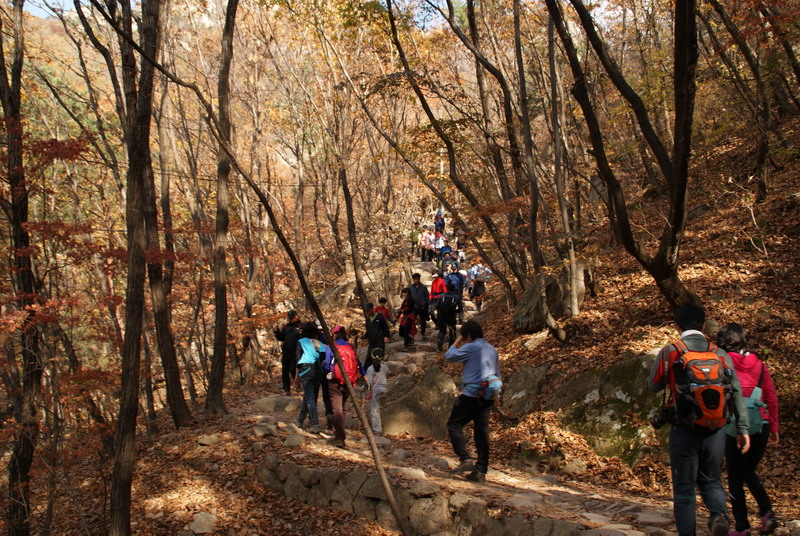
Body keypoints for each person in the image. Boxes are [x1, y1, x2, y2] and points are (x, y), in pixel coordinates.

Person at [648, 304, 750, 536]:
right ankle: (718, 516)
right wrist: (742, 427)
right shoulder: (719, 353)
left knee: (684, 490)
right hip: (716, 429)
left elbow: (653, 385)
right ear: (703, 325)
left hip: (683, 428)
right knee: (712, 480)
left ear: (676, 326)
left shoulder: (671, 351)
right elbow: (735, 392)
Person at [716, 323, 779, 536]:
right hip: (760, 423)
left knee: (735, 475)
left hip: (734, 425)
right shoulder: (759, 364)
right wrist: (775, 427)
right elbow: (770, 396)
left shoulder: (724, 362)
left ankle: (742, 527)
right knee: (749, 472)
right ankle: (767, 513)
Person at [444, 320, 500, 484]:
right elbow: (497, 371)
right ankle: (480, 471)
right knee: (481, 433)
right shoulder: (491, 348)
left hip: (471, 394)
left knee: (454, 424)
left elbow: (449, 356)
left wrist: (458, 340)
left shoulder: (472, 346)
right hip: (489, 394)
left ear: (468, 335)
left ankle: (465, 458)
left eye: (464, 335)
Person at [324, 326, 365, 447]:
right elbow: (357, 362)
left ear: (334, 334)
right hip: (349, 381)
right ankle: (339, 432)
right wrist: (364, 375)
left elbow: (327, 364)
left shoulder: (331, 347)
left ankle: (339, 438)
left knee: (336, 409)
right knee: (342, 408)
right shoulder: (350, 347)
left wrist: (330, 371)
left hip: (335, 381)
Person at [294, 322, 326, 433]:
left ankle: (315, 424)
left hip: (306, 371)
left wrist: (296, 377)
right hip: (318, 372)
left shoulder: (301, 342)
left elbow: (298, 360)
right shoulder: (320, 343)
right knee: (310, 396)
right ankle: (300, 420)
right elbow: (323, 358)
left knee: (310, 398)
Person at [273, 310, 301, 395]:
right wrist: (277, 332)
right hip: (286, 353)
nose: (292, 318)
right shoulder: (286, 327)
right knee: (285, 372)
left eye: (293, 316)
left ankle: (297, 386)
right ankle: (286, 390)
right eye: (290, 316)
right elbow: (281, 338)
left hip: (295, 353)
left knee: (293, 370)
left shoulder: (300, 326)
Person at [432, 282, 462, 351]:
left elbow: (436, 306)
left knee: (442, 330)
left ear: (447, 288)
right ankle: (451, 348)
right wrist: (456, 313)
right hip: (451, 316)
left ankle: (440, 340)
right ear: (454, 289)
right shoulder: (456, 297)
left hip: (442, 316)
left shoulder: (441, 296)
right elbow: (460, 308)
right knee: (452, 332)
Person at [365, 348, 388, 436]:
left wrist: (363, 388)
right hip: (384, 390)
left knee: (374, 411)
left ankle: (377, 430)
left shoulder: (370, 369)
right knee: (381, 409)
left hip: (376, 391)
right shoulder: (384, 366)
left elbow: (369, 383)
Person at [363, 302, 390, 370]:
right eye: (366, 311)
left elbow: (385, 327)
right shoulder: (368, 318)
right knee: (369, 356)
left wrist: (386, 336)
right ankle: (365, 372)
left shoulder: (380, 317)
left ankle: (379, 371)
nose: (367, 312)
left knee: (378, 356)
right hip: (372, 341)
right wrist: (365, 337)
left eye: (368, 310)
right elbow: (368, 329)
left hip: (379, 340)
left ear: (372, 309)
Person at [409, 273, 430, 338]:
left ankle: (423, 333)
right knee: (412, 321)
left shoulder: (423, 287)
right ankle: (412, 334)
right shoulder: (411, 287)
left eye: (416, 279)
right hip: (413, 307)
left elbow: (427, 297)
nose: (415, 281)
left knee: (423, 321)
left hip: (422, 306)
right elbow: (409, 297)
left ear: (419, 279)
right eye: (414, 279)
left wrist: (429, 305)